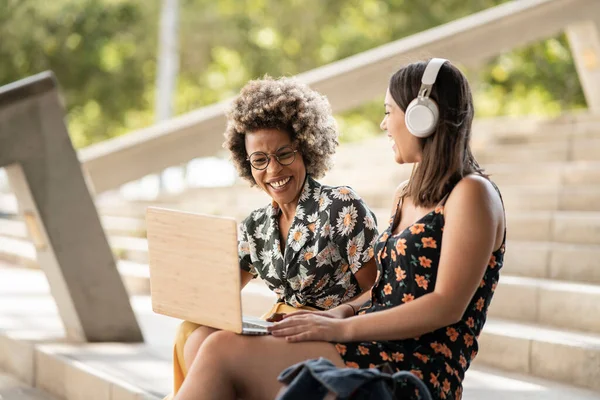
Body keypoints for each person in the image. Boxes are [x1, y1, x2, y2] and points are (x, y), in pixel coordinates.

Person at [173, 58, 506, 400]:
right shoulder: (406, 193)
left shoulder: (471, 193)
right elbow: (382, 291)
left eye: (389, 112)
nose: (383, 124)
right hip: (368, 341)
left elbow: (446, 306)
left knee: (221, 352)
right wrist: (341, 312)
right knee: (206, 341)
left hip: (410, 365)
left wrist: (342, 327)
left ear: (421, 117)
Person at [168, 76, 380, 397]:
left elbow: (380, 290)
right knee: (193, 333)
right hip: (280, 327)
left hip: (329, 335)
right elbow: (218, 294)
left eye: (284, 154)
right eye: (259, 160)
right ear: (247, 163)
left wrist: (340, 316)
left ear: (306, 148)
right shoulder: (256, 225)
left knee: (217, 346)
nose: (273, 170)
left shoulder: (341, 206)